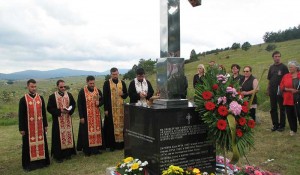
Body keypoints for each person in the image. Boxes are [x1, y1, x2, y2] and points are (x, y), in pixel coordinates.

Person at [18, 79, 50, 171]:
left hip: (40, 126)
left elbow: (43, 112)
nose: (34, 88)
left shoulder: (40, 98)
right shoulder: (23, 99)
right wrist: (21, 128)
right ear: (28, 87)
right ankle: (29, 165)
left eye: (35, 86)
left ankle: (42, 162)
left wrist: (46, 125)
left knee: (42, 143)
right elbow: (21, 115)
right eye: (32, 87)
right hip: (28, 128)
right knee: (28, 145)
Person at [47, 80, 76, 163]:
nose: (63, 88)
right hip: (58, 121)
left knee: (68, 135)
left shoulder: (69, 95)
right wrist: (59, 111)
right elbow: (49, 108)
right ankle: (58, 156)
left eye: (64, 87)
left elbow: (73, 104)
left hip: (67, 119)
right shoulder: (52, 96)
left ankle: (68, 154)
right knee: (58, 138)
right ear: (57, 87)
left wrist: (69, 110)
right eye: (61, 87)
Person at [77, 75, 103, 156]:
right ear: (87, 82)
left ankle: (96, 149)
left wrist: (100, 103)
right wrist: (81, 117)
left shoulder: (97, 91)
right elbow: (79, 104)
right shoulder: (82, 92)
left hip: (96, 116)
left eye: (93, 83)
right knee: (86, 133)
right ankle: (87, 151)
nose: (92, 85)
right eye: (90, 83)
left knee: (97, 132)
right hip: (86, 116)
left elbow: (102, 100)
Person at [103, 67, 128, 151]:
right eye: (113, 74)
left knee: (121, 126)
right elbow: (105, 97)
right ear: (111, 74)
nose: (115, 76)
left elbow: (126, 94)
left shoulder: (122, 83)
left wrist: (123, 94)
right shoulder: (107, 83)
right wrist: (106, 109)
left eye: (116, 74)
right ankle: (112, 145)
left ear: (118, 73)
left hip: (120, 108)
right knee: (111, 127)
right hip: (111, 109)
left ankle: (121, 145)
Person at [267, 51, 289, 132]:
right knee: (273, 108)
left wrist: (284, 90)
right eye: (276, 56)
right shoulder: (271, 67)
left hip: (280, 91)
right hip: (272, 90)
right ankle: (275, 125)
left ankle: (282, 126)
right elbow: (269, 79)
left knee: (282, 108)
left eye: (279, 56)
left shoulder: (284, 67)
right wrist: (268, 89)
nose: (277, 58)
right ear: (273, 57)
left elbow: (287, 79)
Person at [280, 61, 300, 136]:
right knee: (290, 115)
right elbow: (281, 87)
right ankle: (293, 129)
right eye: (289, 67)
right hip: (288, 99)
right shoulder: (286, 76)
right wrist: (290, 90)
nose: (290, 68)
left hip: (298, 98)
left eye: (291, 67)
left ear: (296, 68)